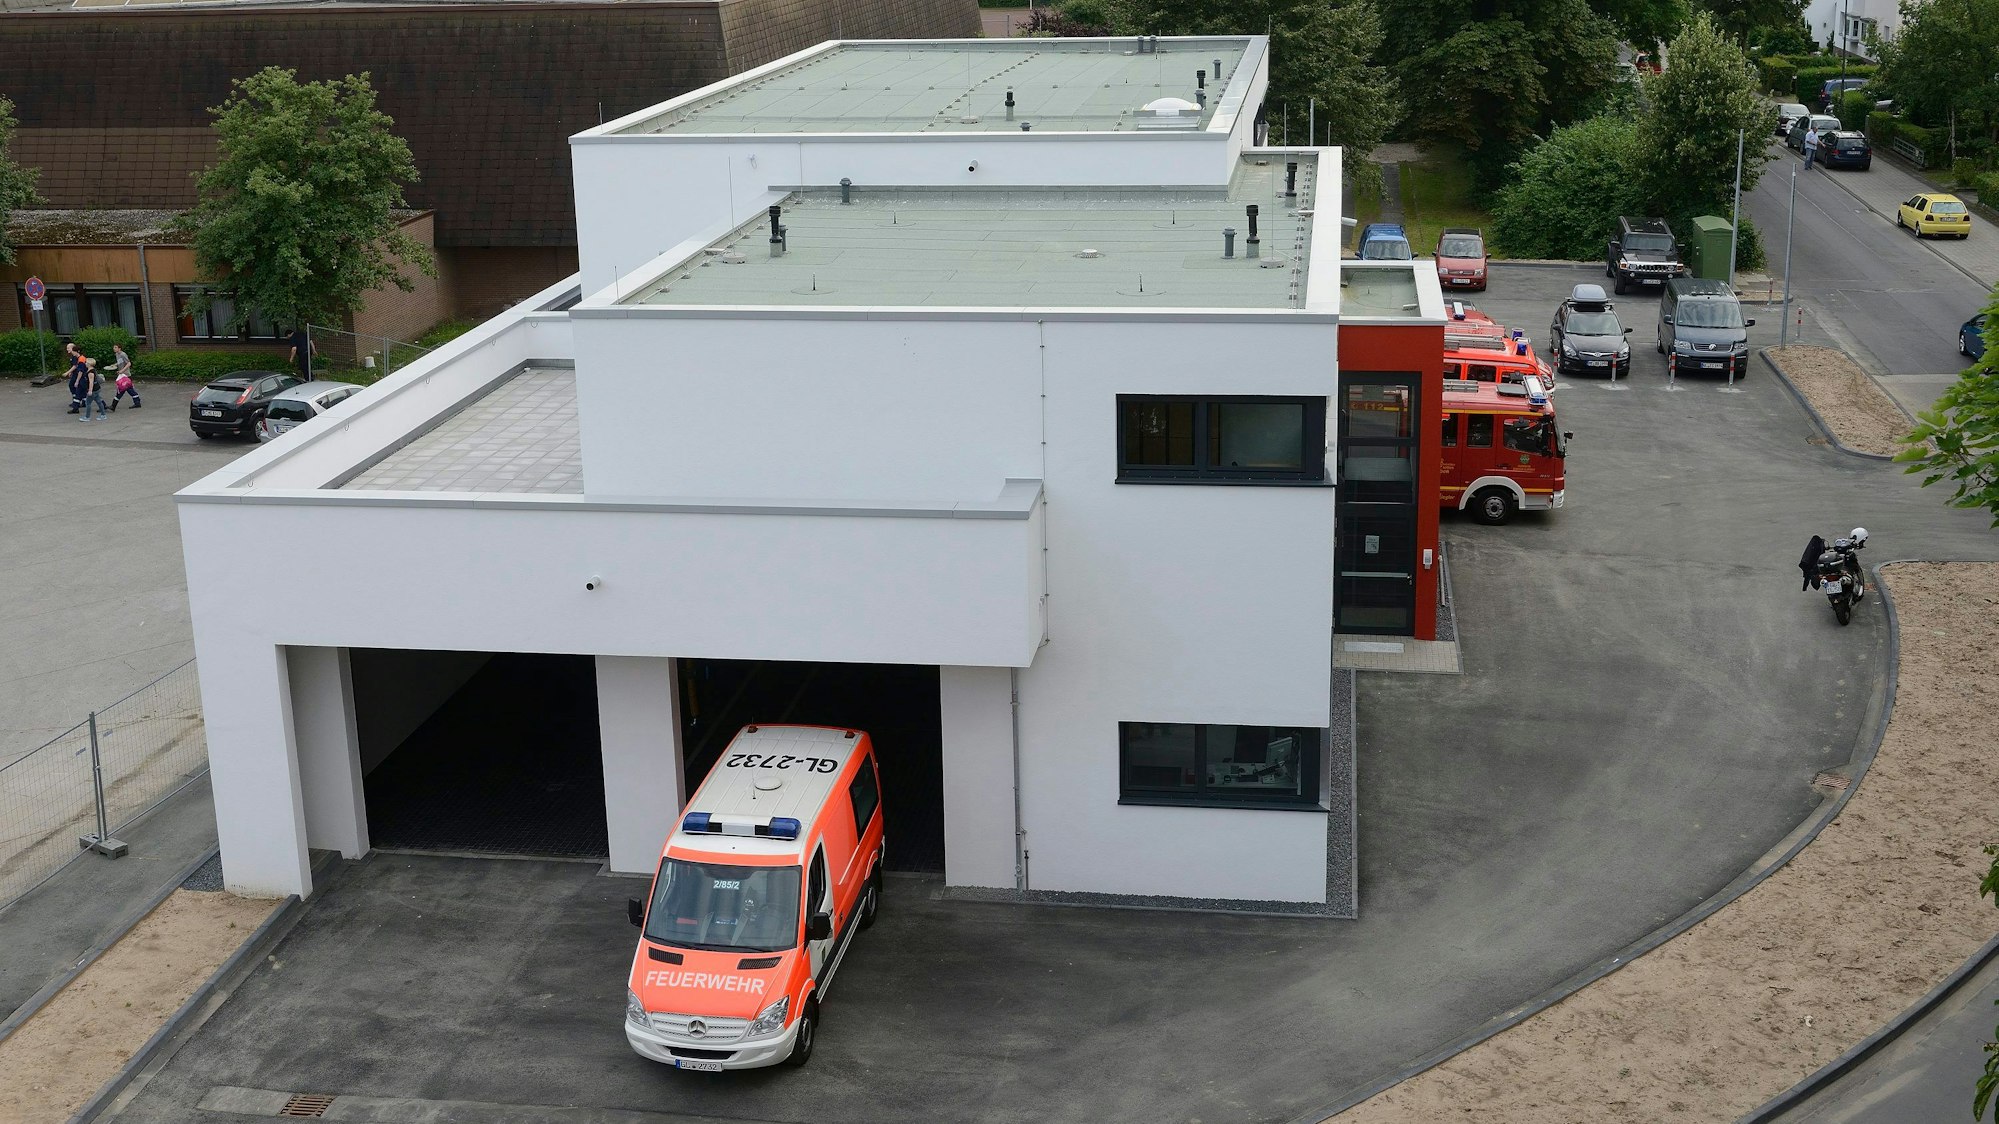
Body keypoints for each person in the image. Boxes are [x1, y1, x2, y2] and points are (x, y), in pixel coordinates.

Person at [107, 344, 140, 410]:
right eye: (113, 347)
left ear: (119, 348)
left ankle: (113, 406)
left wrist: (122, 370)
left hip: (126, 375)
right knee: (130, 390)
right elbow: (120, 362)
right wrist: (114, 365)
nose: (114, 348)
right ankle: (137, 403)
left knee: (121, 390)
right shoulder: (117, 354)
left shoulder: (123, 354)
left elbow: (129, 363)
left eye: (115, 347)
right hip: (122, 375)